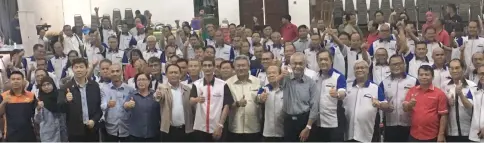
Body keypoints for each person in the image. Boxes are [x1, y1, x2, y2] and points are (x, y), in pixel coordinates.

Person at [58, 58, 103, 142]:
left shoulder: (94, 86)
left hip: (92, 129)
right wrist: (66, 100)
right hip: (75, 131)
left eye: (81, 67)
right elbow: (60, 108)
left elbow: (99, 109)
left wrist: (94, 120)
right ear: (72, 69)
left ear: (86, 69)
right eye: (76, 67)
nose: (79, 70)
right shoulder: (65, 87)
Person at [190, 57, 234, 142]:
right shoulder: (196, 84)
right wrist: (196, 99)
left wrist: (220, 125)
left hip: (217, 126)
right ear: (201, 68)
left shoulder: (223, 84)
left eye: (209, 65)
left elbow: (227, 105)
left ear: (214, 67)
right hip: (200, 128)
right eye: (205, 65)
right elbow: (190, 101)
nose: (207, 68)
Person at [279, 52, 320, 142]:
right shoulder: (285, 79)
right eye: (295, 63)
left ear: (305, 65)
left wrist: (308, 127)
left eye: (300, 63)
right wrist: (281, 76)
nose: (297, 66)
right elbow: (274, 84)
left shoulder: (310, 83)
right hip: (288, 121)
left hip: (304, 120)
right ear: (290, 65)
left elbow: (314, 106)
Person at [379, 55, 418, 142]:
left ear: (404, 64)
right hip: (390, 124)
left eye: (399, 64)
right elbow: (381, 102)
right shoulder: (384, 83)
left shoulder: (414, 81)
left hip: (410, 125)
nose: (396, 66)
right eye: (393, 64)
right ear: (389, 66)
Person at [403, 65, 447, 142]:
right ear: (418, 76)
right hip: (414, 134)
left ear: (432, 77)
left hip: (432, 136)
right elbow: (405, 109)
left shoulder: (439, 94)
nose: (424, 77)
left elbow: (443, 115)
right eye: (421, 75)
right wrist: (409, 105)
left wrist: (441, 134)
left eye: (427, 75)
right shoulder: (412, 91)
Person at [310, 50, 346, 142]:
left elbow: (343, 93)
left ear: (331, 60)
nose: (323, 62)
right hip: (317, 122)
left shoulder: (339, 76)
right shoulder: (315, 77)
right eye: (320, 60)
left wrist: (337, 94)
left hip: (334, 122)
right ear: (317, 61)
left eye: (325, 59)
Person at [344, 60, 385, 142]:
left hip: (368, 134)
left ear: (368, 70)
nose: (359, 70)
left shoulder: (375, 88)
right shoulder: (347, 87)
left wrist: (379, 104)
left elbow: (386, 105)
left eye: (362, 68)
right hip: (349, 133)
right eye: (357, 68)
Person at [226, 56, 262, 141]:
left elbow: (261, 99)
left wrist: (262, 99)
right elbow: (226, 105)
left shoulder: (258, 82)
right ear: (234, 67)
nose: (241, 68)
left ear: (249, 67)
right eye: (238, 66)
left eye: (243, 65)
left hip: (253, 127)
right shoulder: (228, 83)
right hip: (235, 128)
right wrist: (238, 103)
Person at [156, 64, 195, 142]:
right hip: (169, 131)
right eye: (171, 72)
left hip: (186, 130)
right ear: (166, 75)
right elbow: (158, 97)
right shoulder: (162, 88)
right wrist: (158, 95)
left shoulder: (187, 89)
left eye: (176, 72)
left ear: (180, 74)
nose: (173, 74)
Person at [440, 59, 474, 142]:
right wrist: (447, 102)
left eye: (457, 68)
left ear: (463, 68)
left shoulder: (471, 85)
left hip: (468, 131)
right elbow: (441, 107)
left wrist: (460, 94)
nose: (454, 71)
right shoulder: (444, 85)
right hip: (450, 131)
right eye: (451, 68)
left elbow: (471, 106)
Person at [100, 64, 135, 142]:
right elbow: (102, 105)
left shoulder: (130, 89)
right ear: (109, 73)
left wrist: (131, 105)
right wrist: (108, 105)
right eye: (112, 71)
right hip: (110, 128)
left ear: (122, 72)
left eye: (117, 71)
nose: (115, 73)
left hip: (126, 127)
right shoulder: (104, 89)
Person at [0, 71, 36, 141]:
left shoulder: (31, 95)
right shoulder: (3, 96)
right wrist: (4, 102)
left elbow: (36, 116)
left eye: (18, 79)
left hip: (29, 134)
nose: (15, 81)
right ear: (10, 81)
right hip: (10, 135)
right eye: (13, 79)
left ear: (23, 81)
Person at [124, 73, 160, 141]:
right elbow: (125, 106)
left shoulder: (155, 95)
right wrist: (127, 105)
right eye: (138, 80)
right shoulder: (132, 95)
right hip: (136, 134)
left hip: (153, 133)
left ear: (149, 81)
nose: (141, 82)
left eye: (144, 79)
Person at [34, 76, 68, 142]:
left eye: (48, 84)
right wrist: (38, 109)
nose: (46, 87)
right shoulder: (40, 100)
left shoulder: (60, 96)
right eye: (44, 85)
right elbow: (37, 120)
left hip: (62, 133)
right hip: (48, 136)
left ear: (53, 84)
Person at [469, 65, 484, 142]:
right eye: (480, 74)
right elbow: (468, 105)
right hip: (475, 135)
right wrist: (460, 94)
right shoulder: (473, 90)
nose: (482, 76)